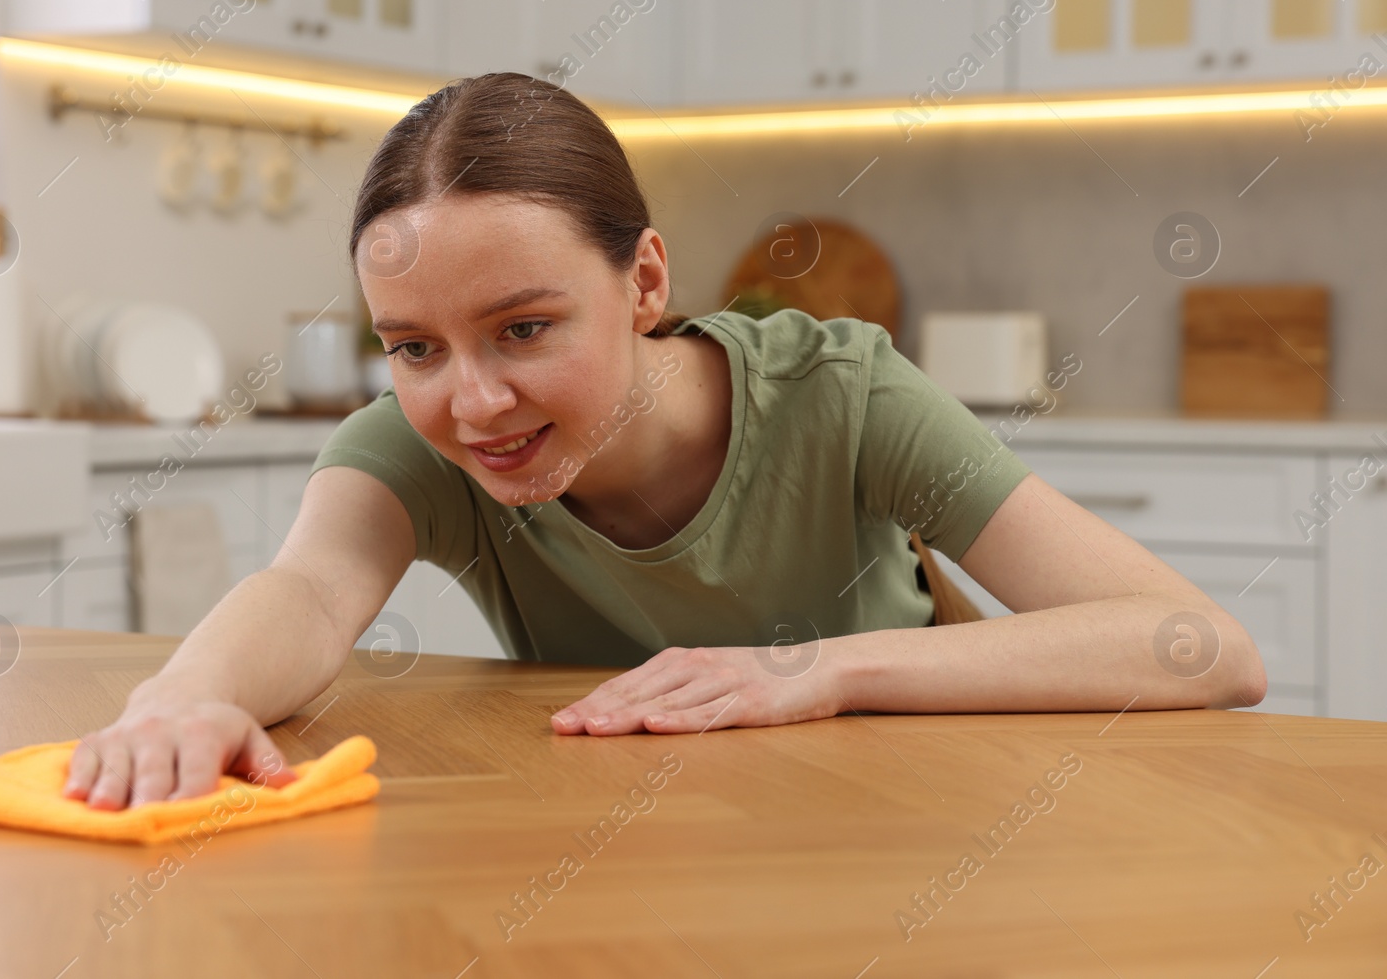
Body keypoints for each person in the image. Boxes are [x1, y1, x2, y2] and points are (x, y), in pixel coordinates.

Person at [64, 73, 1267, 810]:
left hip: (905, 826)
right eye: (414, 345)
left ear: (642, 279)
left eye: (523, 327)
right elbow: (309, 590)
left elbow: (1205, 649)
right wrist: (181, 699)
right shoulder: (417, 444)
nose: (473, 401)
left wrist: (816, 669)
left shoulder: (841, 394)